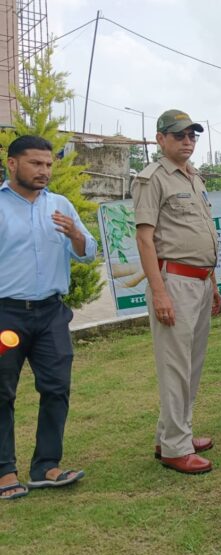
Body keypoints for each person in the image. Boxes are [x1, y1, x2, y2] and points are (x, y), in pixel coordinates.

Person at [0, 135, 95, 498]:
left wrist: (75, 235)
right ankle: (4, 472)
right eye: (36, 164)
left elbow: (87, 253)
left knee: (57, 389)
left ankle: (46, 466)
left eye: (49, 165)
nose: (44, 171)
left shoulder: (60, 204)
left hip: (52, 313)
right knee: (1, 393)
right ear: (13, 164)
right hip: (5, 314)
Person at [134, 110, 221, 475]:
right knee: (175, 367)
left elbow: (202, 233)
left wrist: (213, 283)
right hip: (175, 282)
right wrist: (160, 294)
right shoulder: (152, 179)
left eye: (192, 135)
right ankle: (175, 448)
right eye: (179, 135)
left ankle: (173, 434)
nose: (187, 141)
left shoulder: (194, 176)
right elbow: (144, 238)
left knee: (191, 364)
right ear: (160, 139)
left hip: (200, 281)